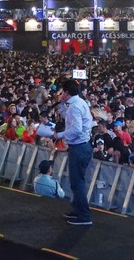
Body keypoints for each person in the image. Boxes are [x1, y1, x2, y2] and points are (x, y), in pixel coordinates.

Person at [53, 78, 95, 226]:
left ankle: (84, 216)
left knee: (77, 182)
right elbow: (70, 120)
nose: (61, 95)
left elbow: (76, 129)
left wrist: (59, 135)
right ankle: (78, 211)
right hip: (82, 146)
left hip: (79, 147)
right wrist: (62, 106)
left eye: (62, 92)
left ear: (66, 92)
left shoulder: (75, 106)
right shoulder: (79, 103)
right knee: (76, 182)